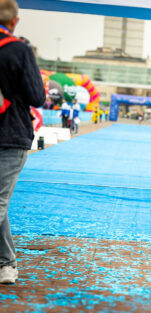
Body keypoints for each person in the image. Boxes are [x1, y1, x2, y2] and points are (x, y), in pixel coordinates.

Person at [0, 0, 45, 284]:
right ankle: (7, 263)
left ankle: (7, 264)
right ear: (15, 21)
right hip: (11, 134)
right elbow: (37, 97)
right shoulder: (18, 50)